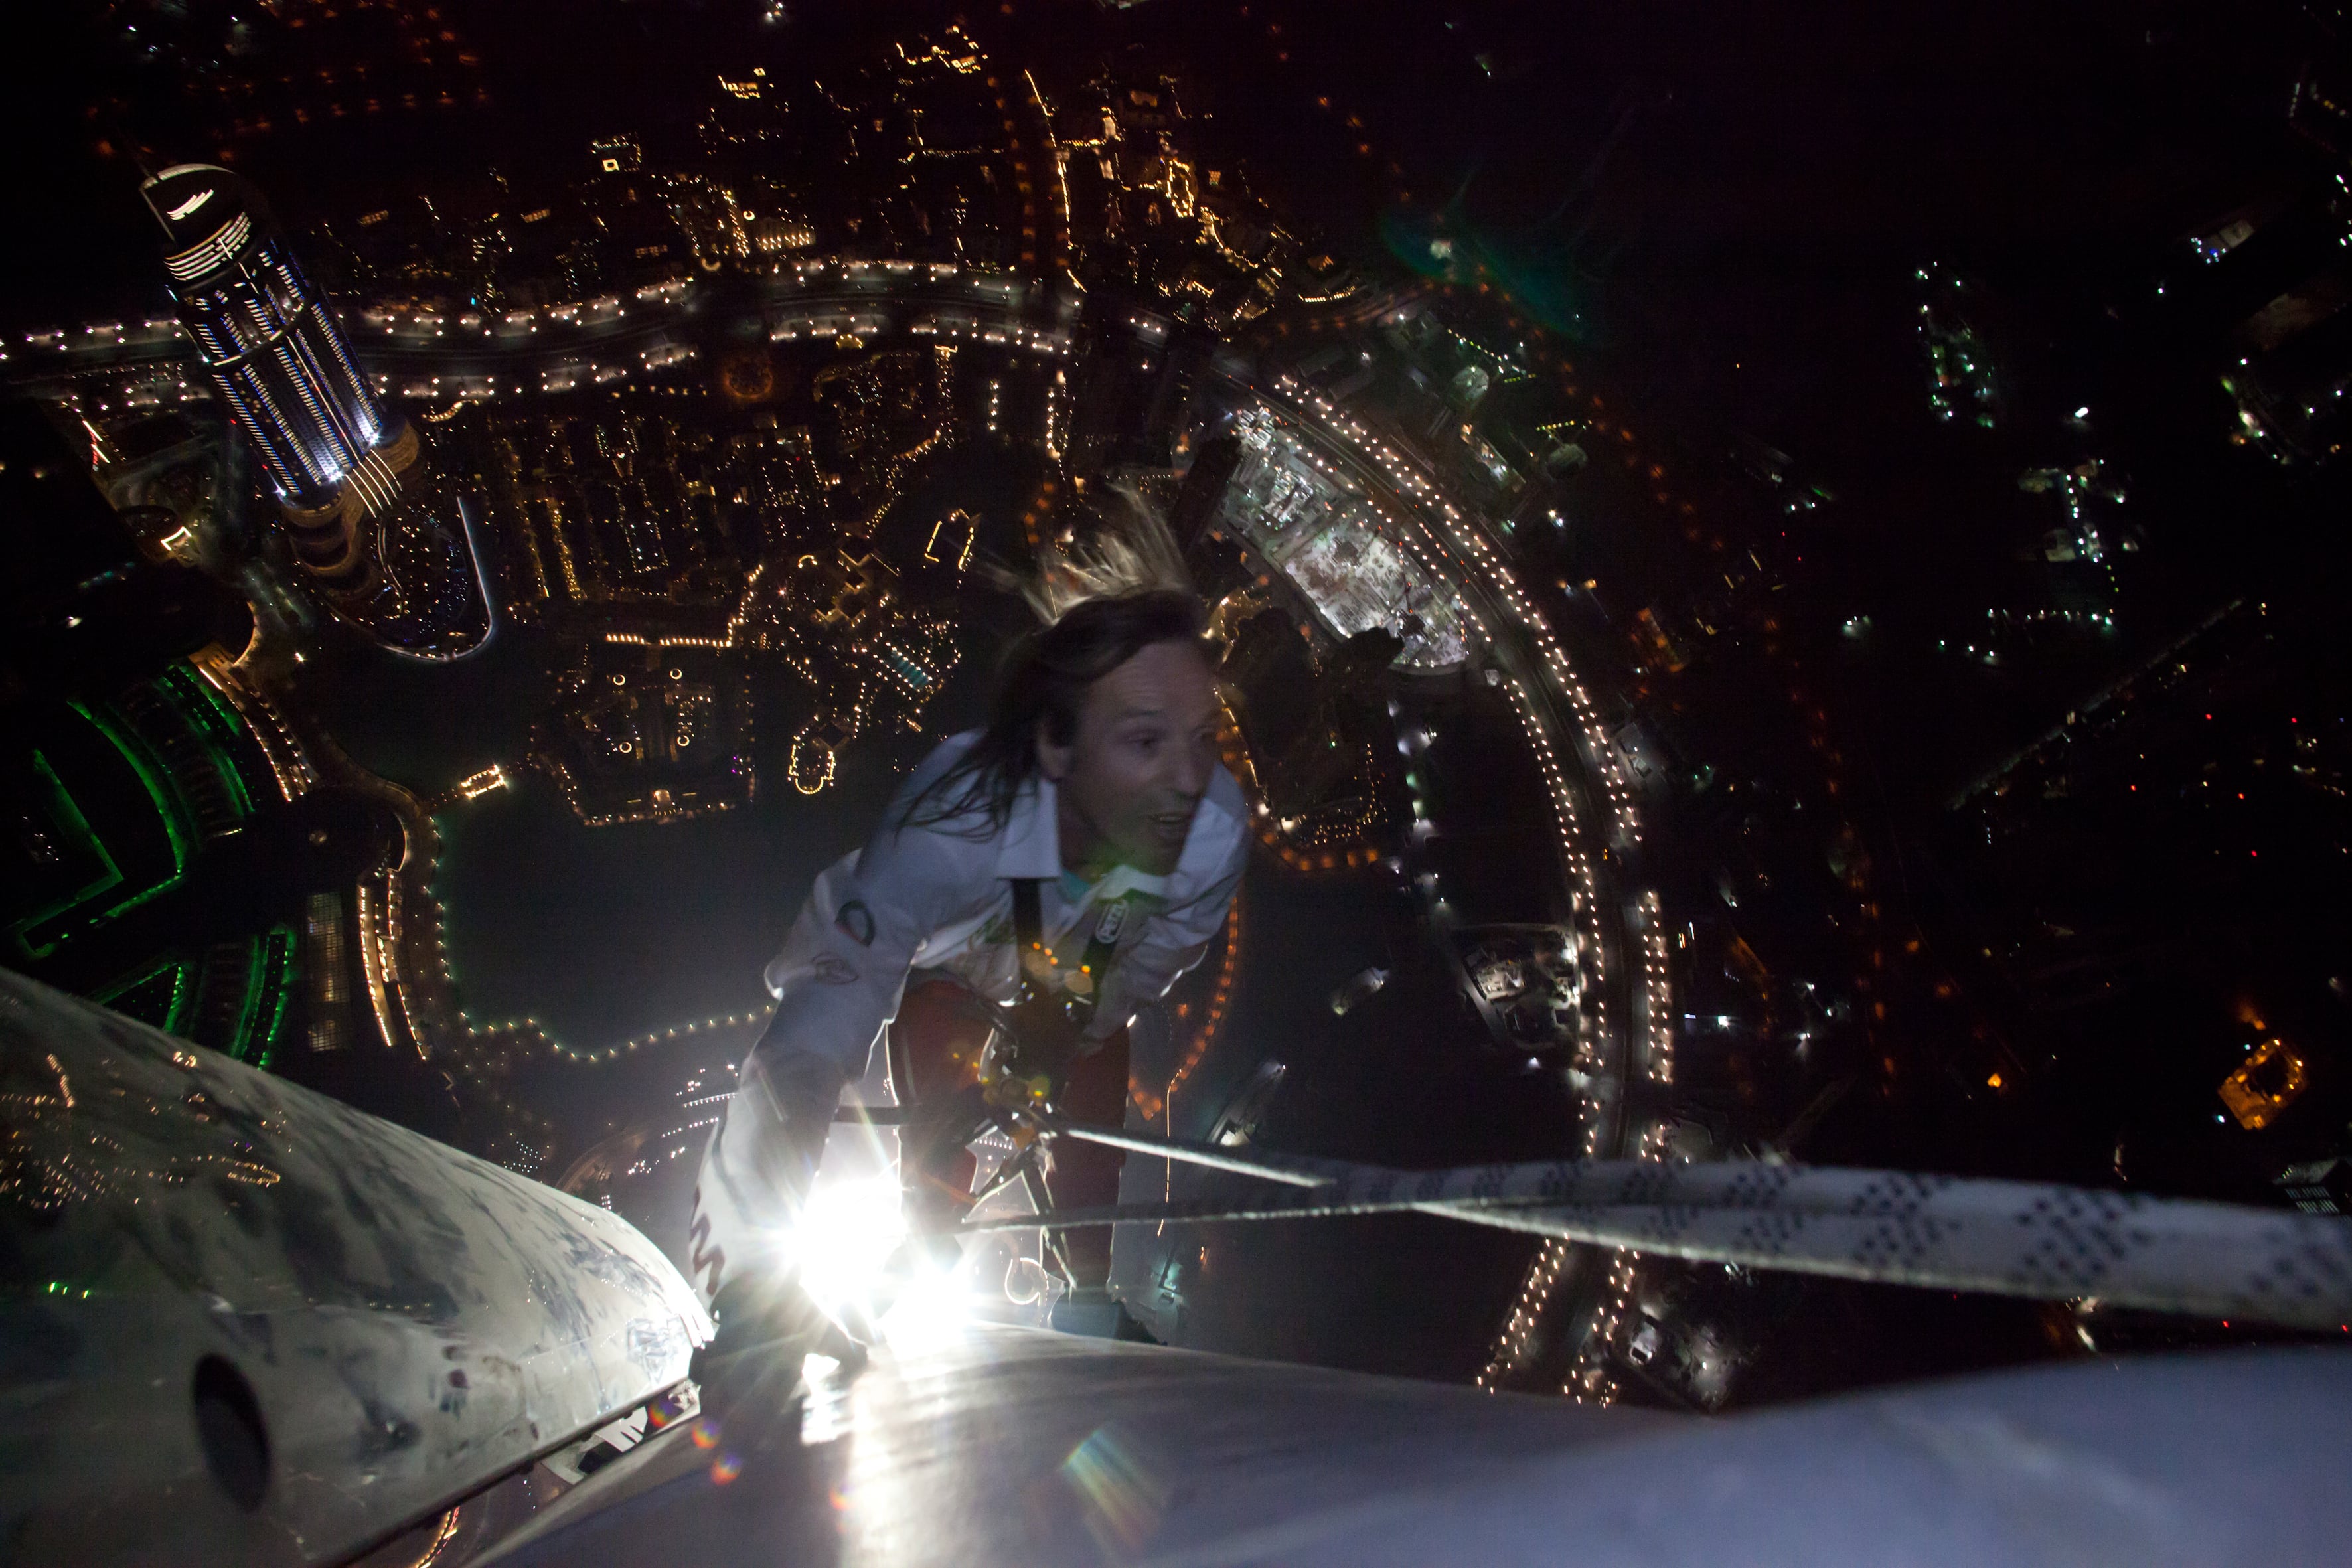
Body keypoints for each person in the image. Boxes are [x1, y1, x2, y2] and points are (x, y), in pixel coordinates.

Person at [688, 522, 1247, 1373]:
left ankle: (1086, 1290)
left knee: (1092, 1076)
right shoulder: (954, 824)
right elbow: (807, 1047)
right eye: (1145, 740)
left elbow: (1148, 959)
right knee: (944, 1079)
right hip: (948, 958)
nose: (1187, 778)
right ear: (1055, 746)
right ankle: (932, 1215)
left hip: (1054, 955)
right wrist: (753, 1289)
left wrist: (1076, 1021)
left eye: (1202, 736)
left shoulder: (1211, 834)